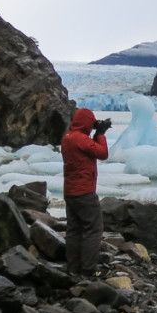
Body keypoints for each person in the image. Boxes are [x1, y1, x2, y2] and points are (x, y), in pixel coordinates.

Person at [61, 107, 110, 276]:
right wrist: (101, 133)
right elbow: (102, 153)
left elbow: (91, 150)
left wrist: (96, 133)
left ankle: (73, 268)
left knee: (74, 229)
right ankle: (88, 270)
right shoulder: (80, 139)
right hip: (85, 192)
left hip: (70, 192)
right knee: (93, 230)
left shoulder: (68, 138)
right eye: (91, 122)